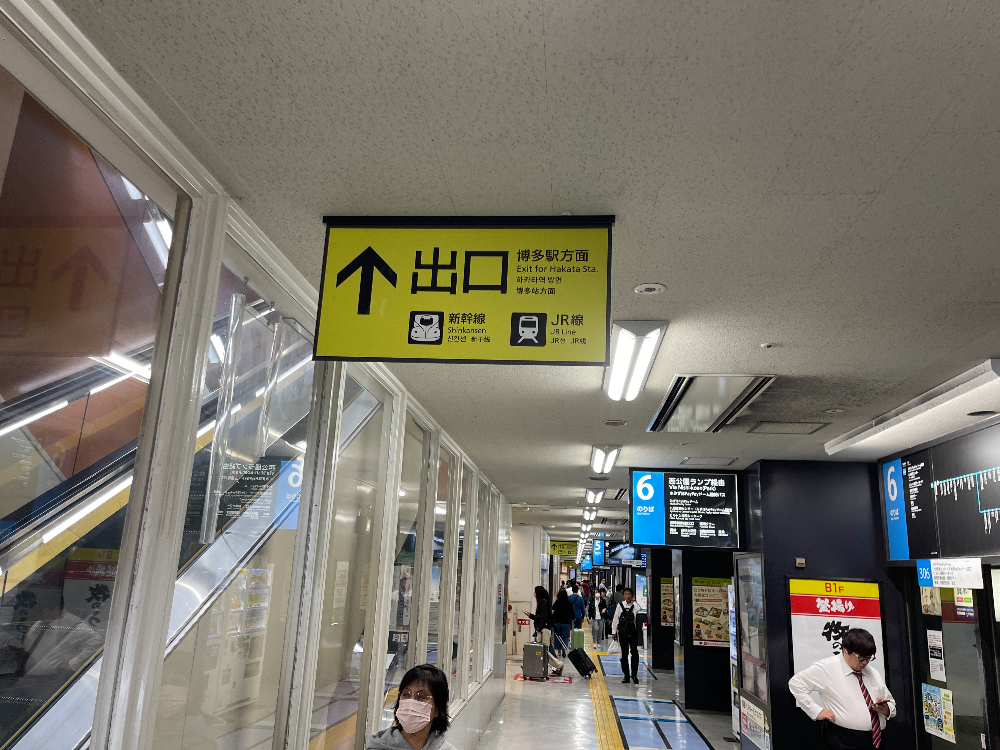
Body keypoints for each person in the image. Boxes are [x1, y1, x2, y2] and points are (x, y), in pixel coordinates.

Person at [788, 629, 895, 750]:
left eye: (869, 658)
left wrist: (887, 709)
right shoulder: (827, 668)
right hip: (844, 739)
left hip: (877, 739)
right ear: (845, 650)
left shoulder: (873, 673)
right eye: (861, 658)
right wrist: (815, 710)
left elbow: (891, 703)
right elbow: (796, 683)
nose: (865, 662)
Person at [367, 664, 456, 750]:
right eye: (406, 694)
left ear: (437, 709)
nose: (411, 702)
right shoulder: (378, 747)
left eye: (421, 697)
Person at [526, 586, 563, 675]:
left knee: (544, 650)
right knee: (545, 650)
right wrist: (530, 615)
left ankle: (558, 665)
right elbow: (540, 618)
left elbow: (544, 618)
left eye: (534, 591)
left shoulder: (543, 603)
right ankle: (535, 667)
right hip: (544, 629)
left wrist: (539, 628)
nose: (533, 593)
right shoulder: (544, 602)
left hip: (544, 630)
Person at [611, 586, 639, 684]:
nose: (627, 596)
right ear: (623, 595)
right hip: (622, 633)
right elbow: (616, 618)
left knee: (634, 652)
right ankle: (626, 675)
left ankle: (634, 675)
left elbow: (639, 609)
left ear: (632, 595)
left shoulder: (635, 606)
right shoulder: (620, 606)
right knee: (624, 654)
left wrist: (634, 601)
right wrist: (613, 632)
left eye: (629, 594)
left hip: (633, 633)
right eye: (626, 594)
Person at [551, 588, 574, 657]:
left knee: (558, 636)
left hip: (558, 622)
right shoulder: (568, 603)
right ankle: (564, 649)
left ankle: (559, 651)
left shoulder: (557, 602)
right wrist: (573, 618)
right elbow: (572, 612)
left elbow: (553, 608)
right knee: (565, 636)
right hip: (566, 623)